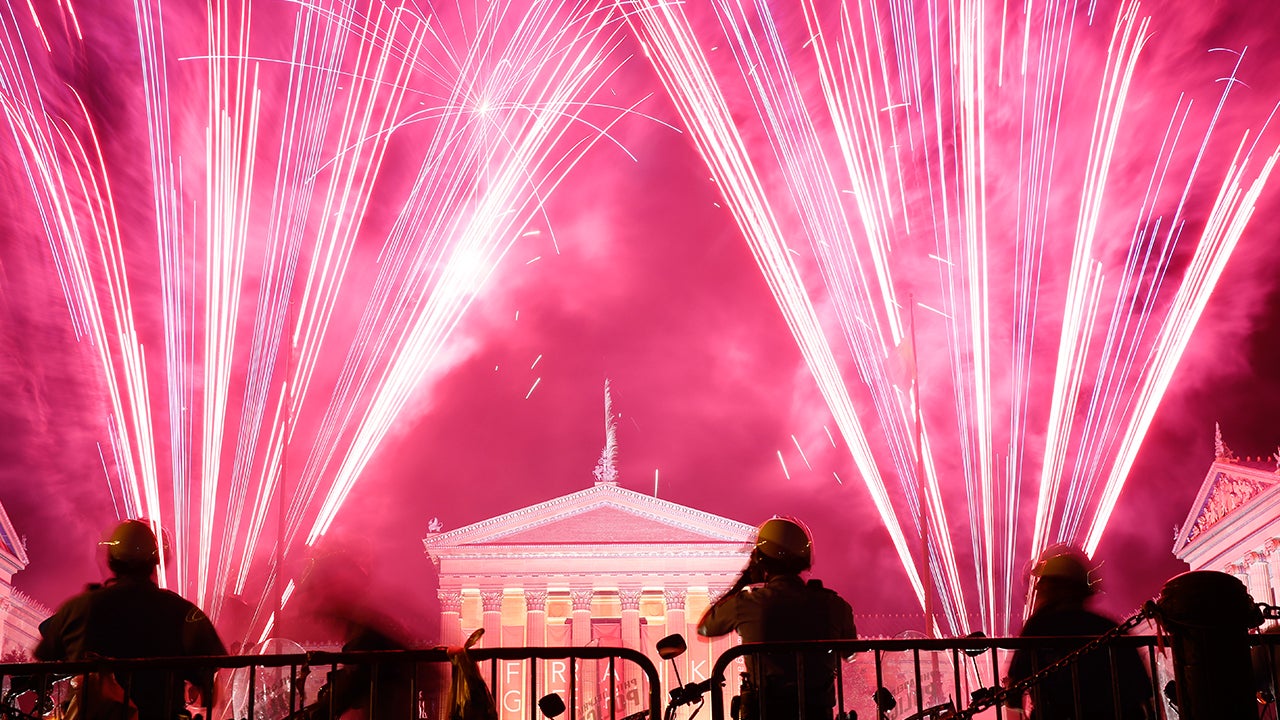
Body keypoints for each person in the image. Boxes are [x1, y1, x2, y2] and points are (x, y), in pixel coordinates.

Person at [34, 519, 227, 720]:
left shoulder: (84, 607)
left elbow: (47, 647)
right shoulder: (182, 611)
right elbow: (209, 690)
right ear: (157, 561)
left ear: (110, 560)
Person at [698, 517, 856, 720]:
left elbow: (706, 627)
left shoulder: (747, 604)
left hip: (764, 711)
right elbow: (850, 652)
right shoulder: (835, 605)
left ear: (760, 560)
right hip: (816, 712)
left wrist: (743, 580)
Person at [1004, 545, 1152, 720]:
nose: (1037, 589)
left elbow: (1013, 693)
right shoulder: (1107, 628)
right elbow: (1139, 691)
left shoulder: (1039, 628)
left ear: (1059, 587)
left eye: (1044, 582)